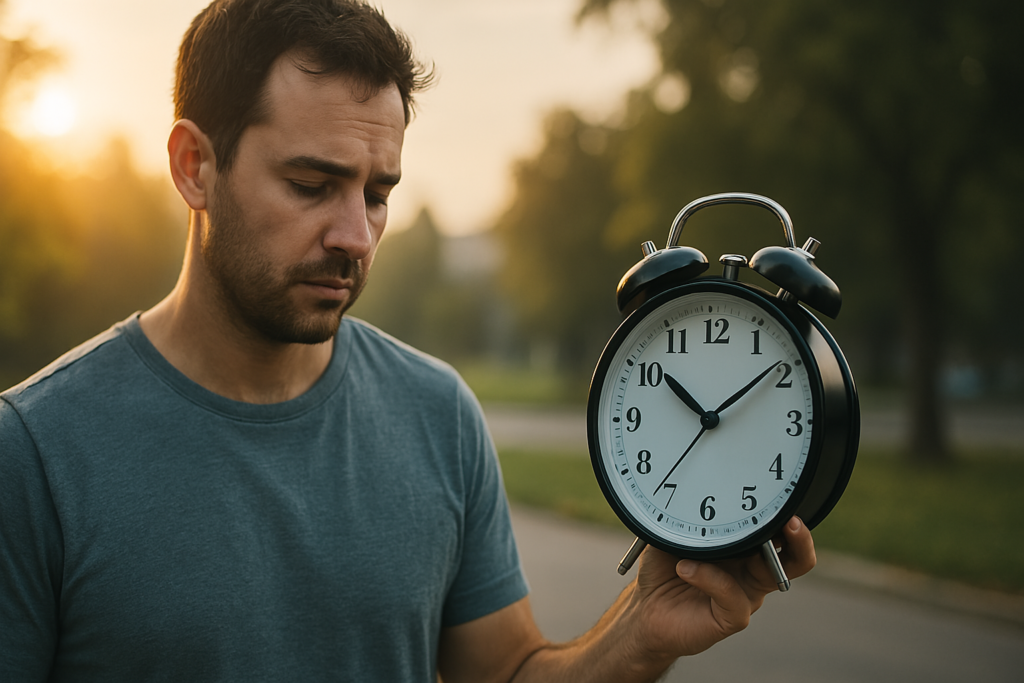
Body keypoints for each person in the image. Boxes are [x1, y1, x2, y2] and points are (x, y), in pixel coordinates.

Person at [0, 0, 816, 680]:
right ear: (193, 166)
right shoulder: (34, 452)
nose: (356, 234)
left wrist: (640, 629)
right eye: (312, 184)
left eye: (378, 192)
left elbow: (507, 672)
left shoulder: (437, 413)